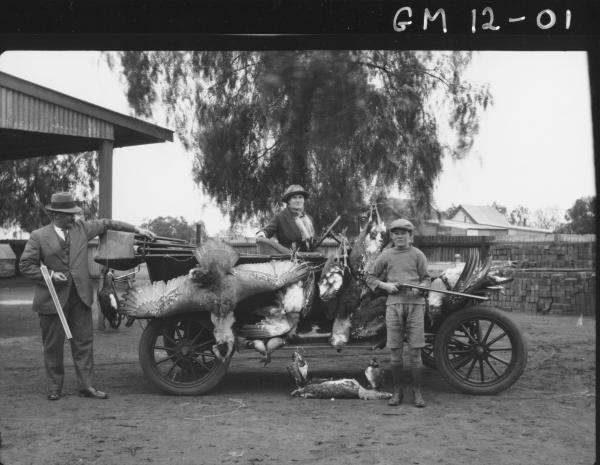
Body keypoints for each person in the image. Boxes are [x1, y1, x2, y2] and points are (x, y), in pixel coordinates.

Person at [19, 192, 155, 401]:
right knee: (53, 345)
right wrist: (51, 276)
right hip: (52, 300)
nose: (73, 217)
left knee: (84, 342)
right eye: (68, 214)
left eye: (74, 213)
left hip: (80, 298)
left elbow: (108, 223)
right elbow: (25, 265)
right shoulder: (39, 236)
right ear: (55, 214)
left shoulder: (81, 229)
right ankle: (55, 387)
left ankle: (86, 386)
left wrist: (136, 229)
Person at [366, 218, 430, 408]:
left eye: (404, 233)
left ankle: (417, 392)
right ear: (392, 236)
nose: (400, 236)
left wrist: (421, 288)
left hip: (416, 306)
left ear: (410, 236)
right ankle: (397, 391)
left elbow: (427, 279)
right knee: (395, 352)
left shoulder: (418, 255)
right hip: (393, 306)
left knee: (415, 352)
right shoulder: (386, 255)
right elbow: (370, 277)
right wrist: (385, 285)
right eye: (396, 233)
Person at [256, 184, 315, 251]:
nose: (298, 200)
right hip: (288, 258)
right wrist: (261, 235)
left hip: (310, 257)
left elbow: (313, 241)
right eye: (294, 198)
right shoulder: (280, 217)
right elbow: (267, 231)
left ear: (304, 200)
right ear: (288, 201)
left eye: (300, 197)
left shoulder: (309, 219)